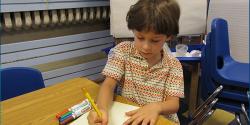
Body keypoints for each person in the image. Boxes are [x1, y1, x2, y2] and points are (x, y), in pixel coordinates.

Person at [87, 0, 184, 124]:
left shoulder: (173, 65)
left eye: (155, 40)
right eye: (140, 38)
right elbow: (108, 85)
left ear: (168, 36)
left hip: (160, 119)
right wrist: (101, 109)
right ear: (133, 31)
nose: (146, 47)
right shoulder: (123, 51)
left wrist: (156, 107)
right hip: (127, 116)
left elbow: (174, 104)